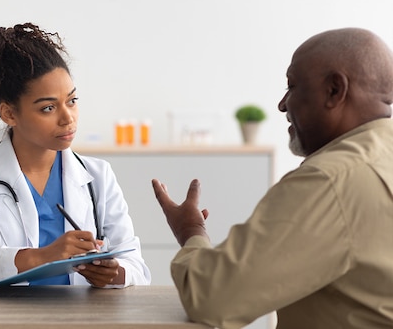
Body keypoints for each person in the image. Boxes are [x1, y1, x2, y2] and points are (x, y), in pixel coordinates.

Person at [152, 27, 393, 329]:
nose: (282, 104)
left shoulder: (330, 180)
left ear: (335, 90)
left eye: (292, 86)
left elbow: (212, 297)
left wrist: (191, 230)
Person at [0, 23, 151, 290]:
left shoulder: (98, 175)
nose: (67, 117)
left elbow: (137, 269)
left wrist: (113, 274)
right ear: (9, 114)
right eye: (48, 108)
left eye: (71, 101)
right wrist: (43, 257)